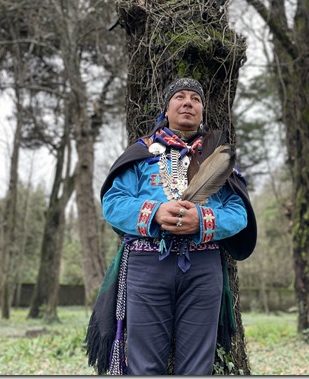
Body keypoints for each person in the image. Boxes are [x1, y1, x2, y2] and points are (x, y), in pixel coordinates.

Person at [86, 77, 257, 375]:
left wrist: (203, 220)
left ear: (203, 111)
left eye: (196, 98)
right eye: (180, 97)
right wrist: (154, 212)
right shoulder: (140, 153)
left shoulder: (217, 158)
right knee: (145, 366)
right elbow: (113, 203)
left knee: (197, 368)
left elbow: (238, 211)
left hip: (203, 269)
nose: (188, 102)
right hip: (147, 265)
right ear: (167, 109)